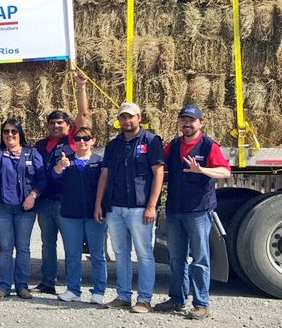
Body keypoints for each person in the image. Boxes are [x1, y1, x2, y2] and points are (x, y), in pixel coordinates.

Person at [153, 104, 231, 320]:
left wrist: (201, 170)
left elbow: (225, 171)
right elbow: (159, 164)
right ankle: (177, 299)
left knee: (199, 258)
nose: (187, 124)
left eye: (191, 120)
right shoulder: (175, 145)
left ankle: (201, 304)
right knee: (176, 257)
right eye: (184, 120)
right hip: (176, 209)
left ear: (200, 123)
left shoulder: (208, 146)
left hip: (199, 209)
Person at [94, 102, 165, 313]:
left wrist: (152, 205)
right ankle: (123, 295)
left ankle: (144, 299)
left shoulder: (151, 141)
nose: (126, 121)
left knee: (144, 254)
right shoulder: (114, 145)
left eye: (130, 117)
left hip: (139, 208)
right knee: (120, 253)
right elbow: (104, 175)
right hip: (115, 208)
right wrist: (99, 204)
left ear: (139, 117)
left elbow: (158, 173)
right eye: (123, 117)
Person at [32, 74, 88, 295]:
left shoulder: (73, 140)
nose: (56, 126)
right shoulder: (40, 144)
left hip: (66, 202)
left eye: (60, 123)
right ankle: (47, 282)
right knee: (47, 245)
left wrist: (81, 88)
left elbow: (83, 116)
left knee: (71, 246)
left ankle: (73, 285)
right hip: (44, 202)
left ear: (67, 125)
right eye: (52, 123)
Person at [0, 118, 45, 299]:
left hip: (25, 208)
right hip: (3, 207)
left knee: (23, 247)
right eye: (6, 132)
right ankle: (3, 286)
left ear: (20, 134)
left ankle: (22, 286)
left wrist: (33, 195)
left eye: (13, 131)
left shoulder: (32, 153)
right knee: (5, 248)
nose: (9, 135)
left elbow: (42, 179)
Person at [51, 126, 107, 304]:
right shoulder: (67, 161)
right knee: (72, 253)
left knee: (97, 254)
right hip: (70, 214)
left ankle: (99, 291)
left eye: (86, 138)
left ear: (93, 141)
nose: (82, 141)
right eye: (78, 138)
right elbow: (53, 177)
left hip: (94, 214)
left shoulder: (100, 161)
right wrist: (60, 167)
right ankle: (73, 289)